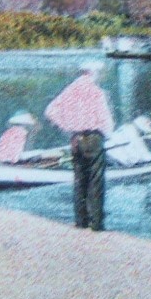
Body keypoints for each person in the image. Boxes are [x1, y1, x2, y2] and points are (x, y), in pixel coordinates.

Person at [45, 60, 115, 231]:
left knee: (79, 180)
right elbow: (106, 120)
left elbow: (50, 111)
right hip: (93, 138)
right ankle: (96, 223)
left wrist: (66, 128)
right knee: (96, 180)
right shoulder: (97, 92)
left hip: (75, 139)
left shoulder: (69, 90)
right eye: (100, 73)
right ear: (94, 73)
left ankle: (80, 221)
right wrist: (109, 135)